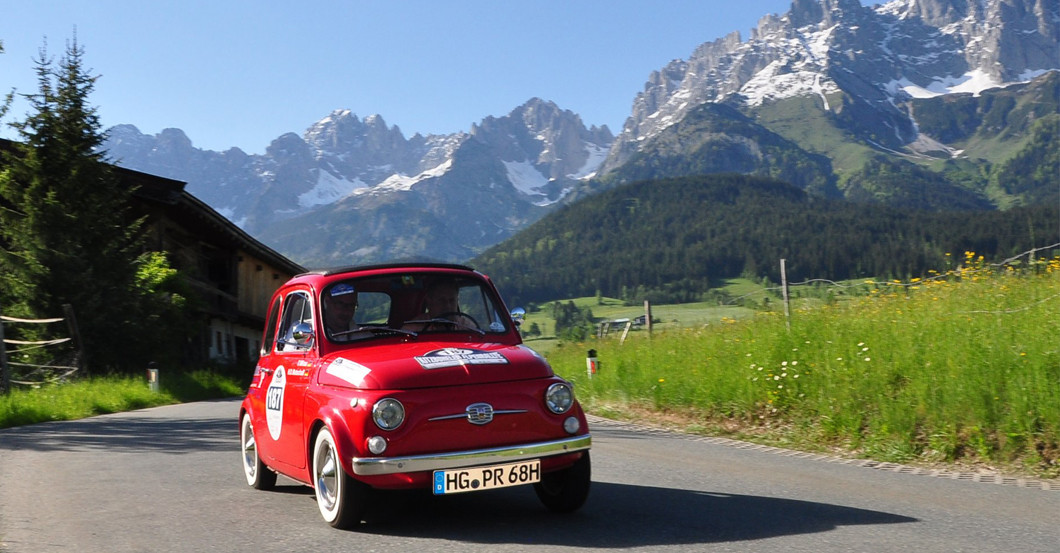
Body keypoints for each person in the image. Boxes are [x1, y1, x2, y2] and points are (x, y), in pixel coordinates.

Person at [403, 280, 477, 331]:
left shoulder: (466, 326)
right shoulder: (414, 329)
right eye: (441, 301)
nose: (448, 306)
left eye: (451, 300)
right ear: (429, 302)